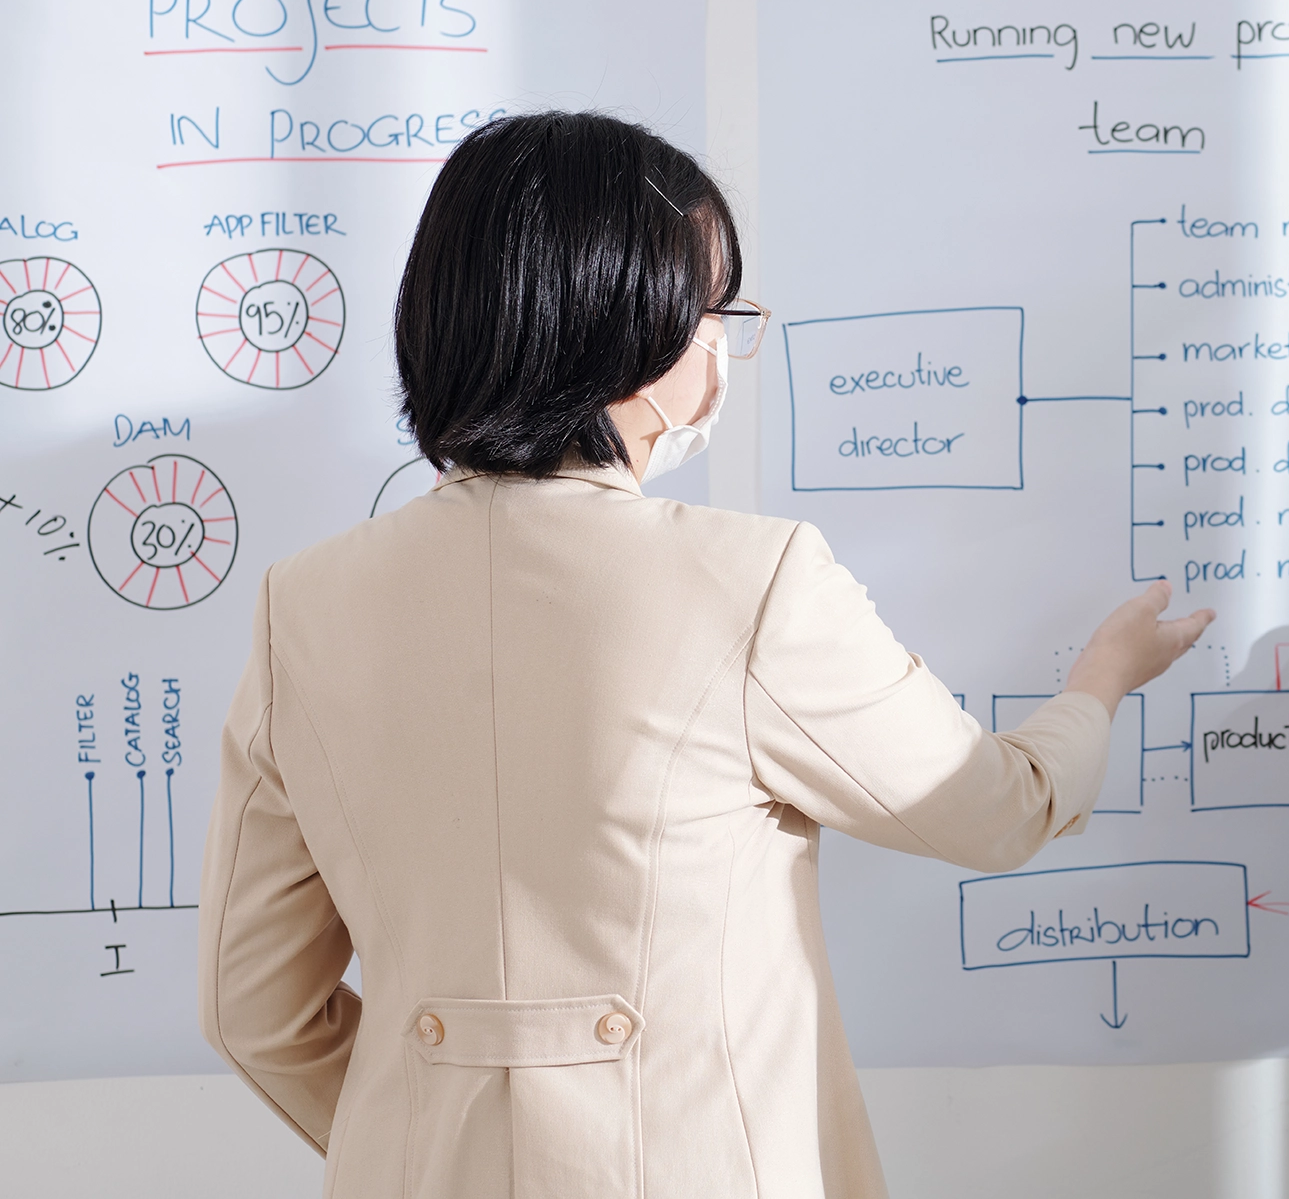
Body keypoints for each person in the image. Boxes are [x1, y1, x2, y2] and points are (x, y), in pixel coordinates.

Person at [196, 111, 1213, 1198]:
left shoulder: (298, 606)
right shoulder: (752, 581)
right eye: (711, 309)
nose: (721, 342)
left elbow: (248, 1005)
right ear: (618, 330)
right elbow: (996, 808)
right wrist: (1098, 681)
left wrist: (430, 1136)